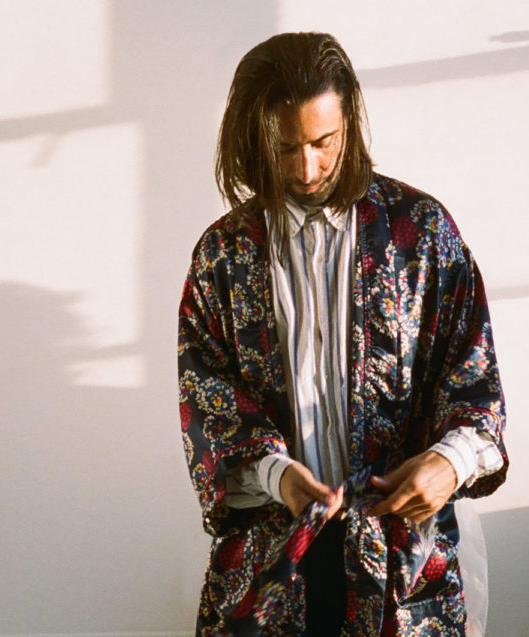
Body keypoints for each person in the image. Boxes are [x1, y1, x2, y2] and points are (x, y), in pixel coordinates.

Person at [177, 32, 509, 635]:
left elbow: (474, 376)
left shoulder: (421, 233)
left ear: (349, 122)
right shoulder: (222, 256)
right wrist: (277, 474)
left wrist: (450, 461)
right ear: (252, 138)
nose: (306, 168)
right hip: (274, 562)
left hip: (400, 562)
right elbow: (207, 399)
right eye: (285, 148)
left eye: (322, 142)